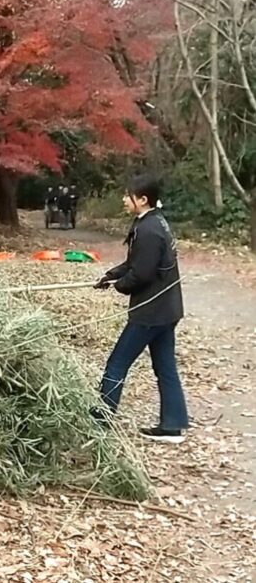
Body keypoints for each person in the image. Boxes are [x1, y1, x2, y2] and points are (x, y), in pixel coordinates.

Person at [94, 174, 188, 443]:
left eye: (128, 195)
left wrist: (120, 286)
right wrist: (110, 275)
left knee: (116, 363)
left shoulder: (149, 230)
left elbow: (141, 274)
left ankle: (101, 420)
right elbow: (134, 263)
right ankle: (172, 425)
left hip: (151, 312)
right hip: (166, 309)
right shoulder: (152, 222)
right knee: (165, 366)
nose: (124, 200)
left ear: (142, 199)